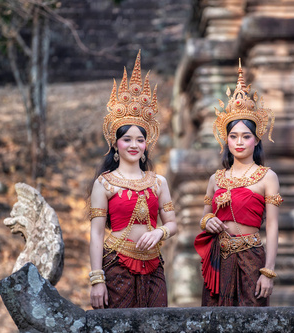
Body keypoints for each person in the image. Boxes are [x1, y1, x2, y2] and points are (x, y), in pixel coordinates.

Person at [88, 50, 177, 309]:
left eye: (140, 139)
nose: (134, 145)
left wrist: (160, 231)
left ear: (146, 144)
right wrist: (97, 279)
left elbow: (173, 224)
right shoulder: (104, 184)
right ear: (115, 144)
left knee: (158, 324)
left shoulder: (158, 182)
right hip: (117, 264)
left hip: (154, 265)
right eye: (127, 139)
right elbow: (95, 235)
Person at [194, 60, 283, 306]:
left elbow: (272, 227)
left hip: (252, 257)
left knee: (251, 319)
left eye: (246, 136)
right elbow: (204, 217)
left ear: (256, 140)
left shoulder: (267, 177)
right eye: (233, 136)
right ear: (227, 140)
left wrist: (268, 271)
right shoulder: (216, 178)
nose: (239, 142)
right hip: (218, 258)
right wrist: (208, 221)